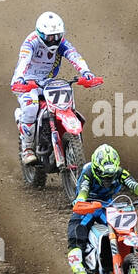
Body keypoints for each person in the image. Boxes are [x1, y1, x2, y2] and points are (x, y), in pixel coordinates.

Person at [65, 144, 138, 274]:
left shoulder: (119, 172)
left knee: (124, 229)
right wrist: (80, 200)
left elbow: (134, 185)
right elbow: (83, 189)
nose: (108, 180)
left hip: (107, 205)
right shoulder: (88, 172)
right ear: (97, 169)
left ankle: (131, 267)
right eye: (105, 176)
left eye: (111, 177)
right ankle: (79, 271)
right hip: (86, 206)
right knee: (76, 233)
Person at [10, 12, 96, 163]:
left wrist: (86, 72)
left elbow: (74, 55)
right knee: (31, 107)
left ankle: (67, 137)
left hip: (48, 82)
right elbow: (23, 62)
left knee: (66, 103)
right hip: (26, 82)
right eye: (50, 37)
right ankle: (27, 148)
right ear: (41, 34)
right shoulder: (31, 43)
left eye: (57, 36)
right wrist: (19, 79)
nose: (54, 40)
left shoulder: (61, 43)